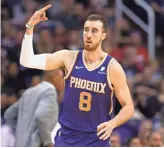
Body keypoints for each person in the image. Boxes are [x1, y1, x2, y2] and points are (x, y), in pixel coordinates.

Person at [20, 4, 134, 146]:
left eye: (94, 31)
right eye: (86, 30)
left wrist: (112, 123)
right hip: (67, 137)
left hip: (96, 139)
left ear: (103, 35)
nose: (89, 34)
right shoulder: (68, 58)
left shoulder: (113, 68)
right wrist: (30, 27)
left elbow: (128, 106)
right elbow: (27, 60)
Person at [4, 70, 63, 147]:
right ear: (54, 77)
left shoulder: (29, 91)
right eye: (61, 77)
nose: (63, 81)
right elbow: (40, 117)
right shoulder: (50, 90)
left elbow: (9, 114)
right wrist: (48, 142)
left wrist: (21, 134)